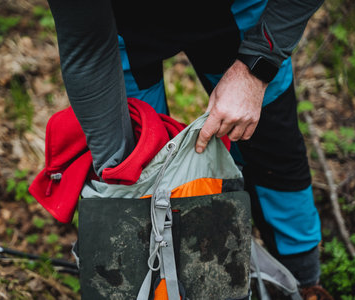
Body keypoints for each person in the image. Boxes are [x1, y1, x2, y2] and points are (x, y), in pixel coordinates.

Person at [45, 0, 333, 299]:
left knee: (274, 150)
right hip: (122, 28)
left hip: (236, 11)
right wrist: (119, 172)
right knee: (137, 181)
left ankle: (301, 282)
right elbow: (86, 49)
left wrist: (258, 65)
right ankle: (172, 287)